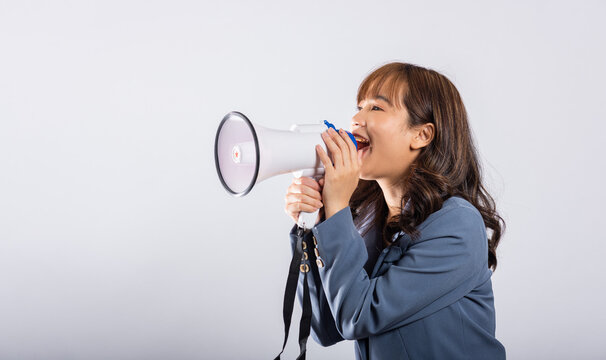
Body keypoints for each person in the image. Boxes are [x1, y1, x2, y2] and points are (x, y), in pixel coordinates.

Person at [283, 62, 507, 359]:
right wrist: (315, 224)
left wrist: (337, 212)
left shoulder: (457, 224)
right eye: (359, 106)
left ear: (422, 135)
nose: (355, 119)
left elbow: (358, 315)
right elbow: (325, 327)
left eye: (376, 108)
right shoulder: (370, 220)